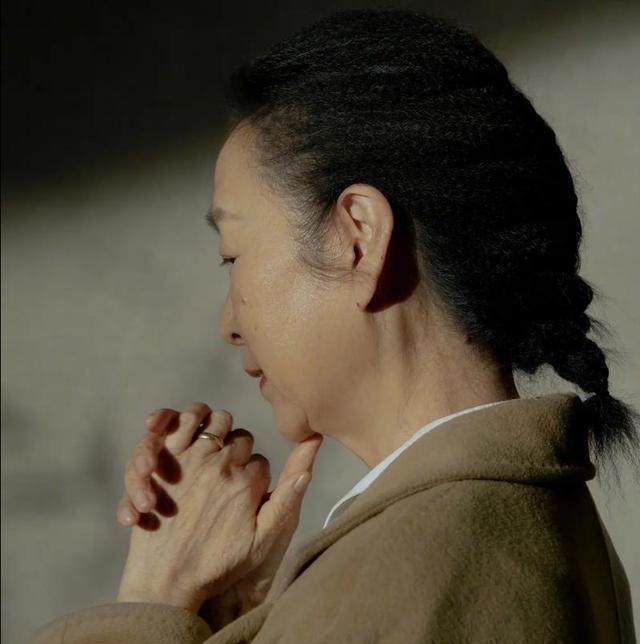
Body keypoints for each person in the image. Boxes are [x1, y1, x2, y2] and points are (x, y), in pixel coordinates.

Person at [30, 8, 638, 643]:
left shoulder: (404, 570)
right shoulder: (530, 524)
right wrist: (241, 610)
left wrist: (155, 594)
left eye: (233, 256)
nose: (227, 324)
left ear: (358, 237)